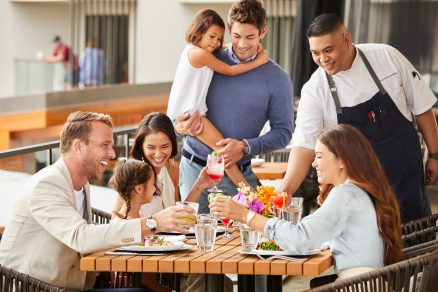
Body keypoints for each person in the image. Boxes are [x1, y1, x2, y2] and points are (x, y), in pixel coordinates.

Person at [0, 111, 196, 290]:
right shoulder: (47, 184)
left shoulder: (81, 183)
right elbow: (81, 237)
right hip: (34, 287)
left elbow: (91, 236)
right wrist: (153, 223)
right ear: (78, 146)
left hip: (71, 285)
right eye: (104, 145)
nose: (112, 154)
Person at [282, 13, 438, 223]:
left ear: (347, 39)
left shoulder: (386, 57)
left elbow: (422, 109)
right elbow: (304, 146)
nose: (323, 59)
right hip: (358, 193)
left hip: (405, 179)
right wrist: (286, 189)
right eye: (315, 53)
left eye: (328, 50)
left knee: (417, 245)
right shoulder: (315, 89)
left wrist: (434, 156)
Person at [211, 124, 403, 283]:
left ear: (342, 161)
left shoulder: (345, 195)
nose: (314, 164)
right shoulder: (360, 191)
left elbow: (300, 239)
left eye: (319, 156)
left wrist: (246, 215)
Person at [176, 0, 293, 214]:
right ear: (229, 29)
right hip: (194, 168)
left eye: (250, 37)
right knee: (192, 240)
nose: (241, 44)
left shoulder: (277, 79)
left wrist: (245, 146)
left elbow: (283, 133)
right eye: (236, 36)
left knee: (246, 241)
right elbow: (180, 110)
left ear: (263, 31)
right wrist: (181, 127)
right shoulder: (208, 58)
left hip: (238, 172)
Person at [167, 8, 268, 188]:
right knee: (223, 151)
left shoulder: (197, 51)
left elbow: (222, 49)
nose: (216, 43)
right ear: (198, 31)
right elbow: (230, 70)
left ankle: (247, 194)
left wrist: (238, 46)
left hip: (192, 113)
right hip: (190, 115)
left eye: (219, 38)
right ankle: (250, 195)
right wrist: (259, 61)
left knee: (221, 152)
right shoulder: (198, 53)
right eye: (212, 36)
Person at [113, 112, 213, 216]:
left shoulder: (172, 169)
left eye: (164, 146)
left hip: (170, 232)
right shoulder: (133, 172)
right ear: (141, 146)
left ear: (172, 144)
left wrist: (199, 185)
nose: (158, 154)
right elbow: (115, 221)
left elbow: (176, 214)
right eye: (151, 147)